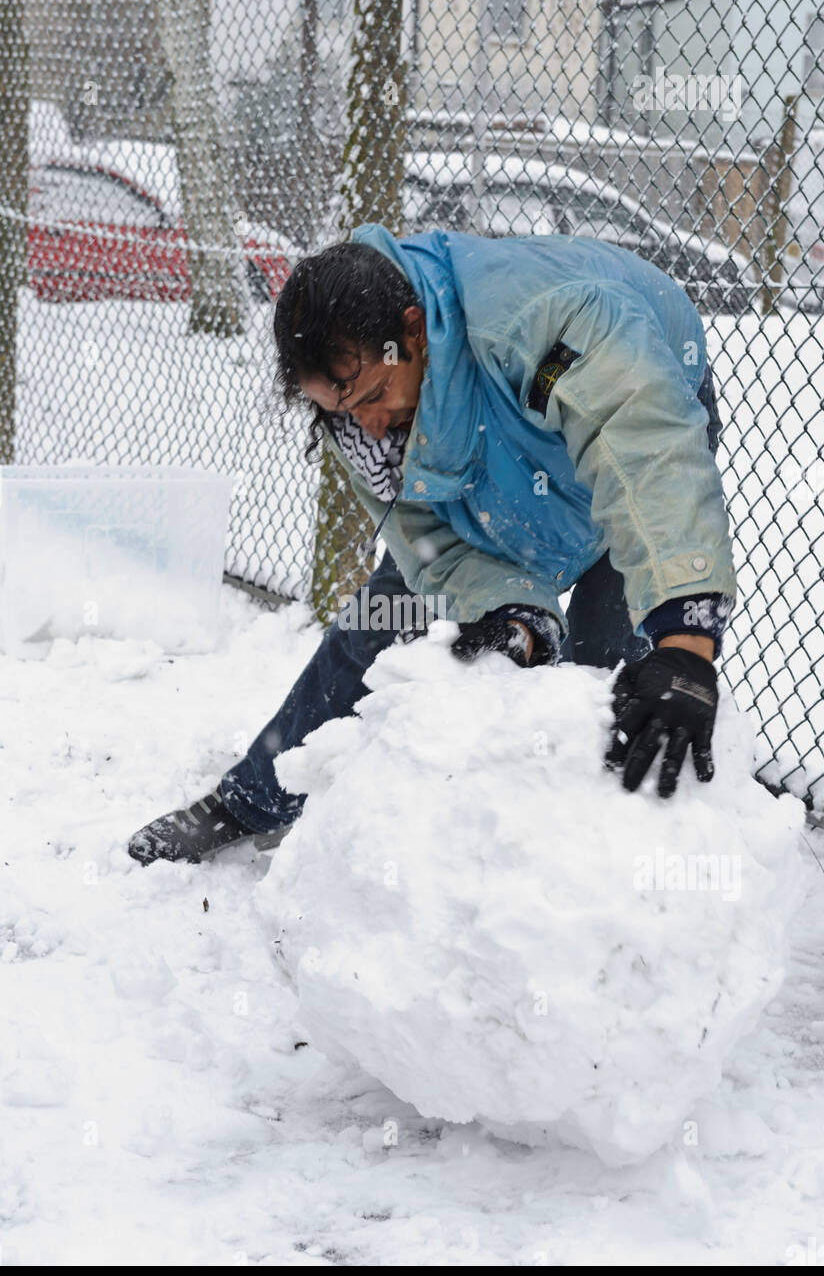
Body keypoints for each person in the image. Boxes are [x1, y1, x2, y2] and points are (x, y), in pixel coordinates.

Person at [128, 223, 736, 866]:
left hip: (639, 394)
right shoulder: (359, 407)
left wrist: (688, 642)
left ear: (414, 331)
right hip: (481, 428)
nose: (362, 423)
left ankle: (583, 867)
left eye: (370, 398)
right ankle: (252, 798)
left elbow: (646, 457)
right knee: (387, 610)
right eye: (341, 411)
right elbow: (433, 549)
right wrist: (515, 612)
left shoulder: (546, 318)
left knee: (611, 665)